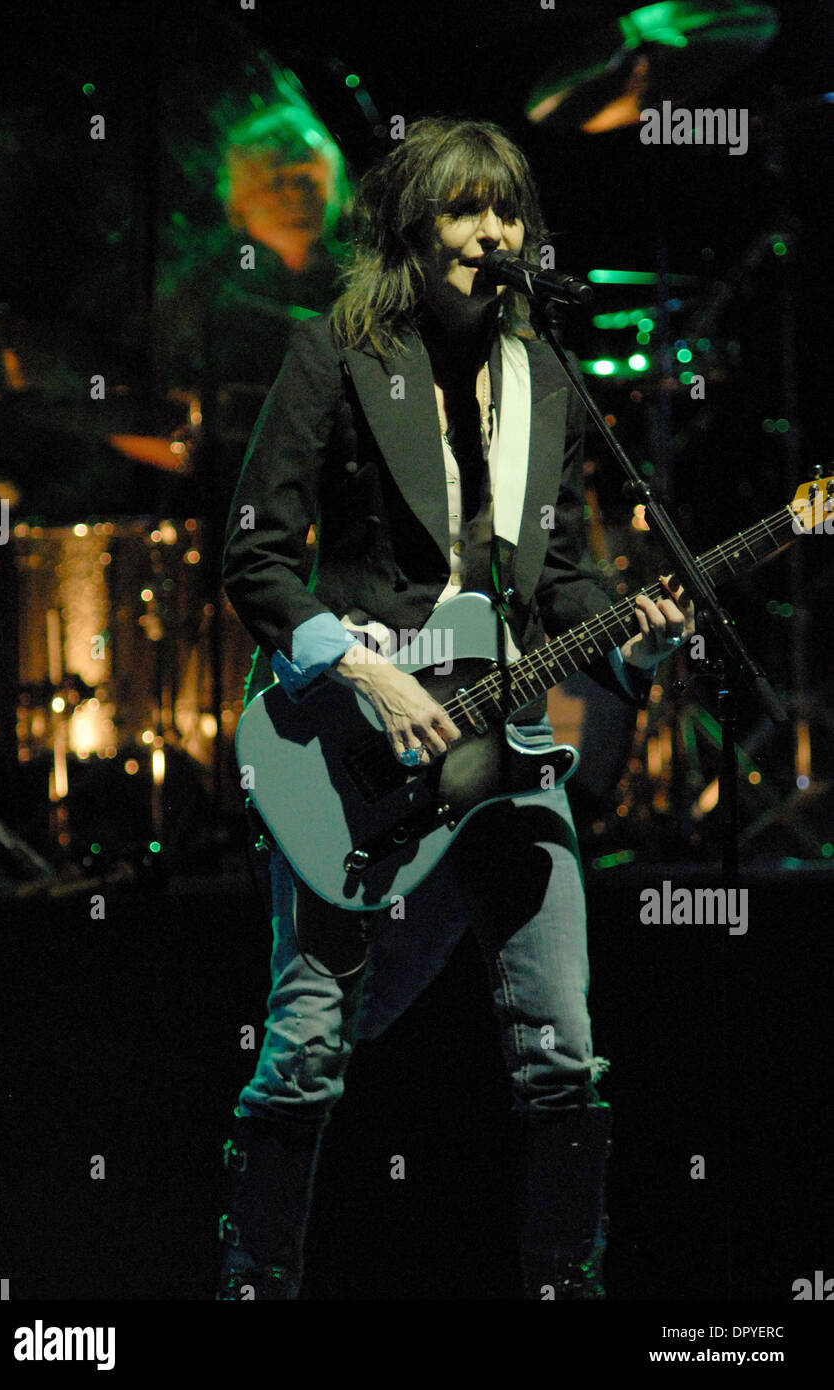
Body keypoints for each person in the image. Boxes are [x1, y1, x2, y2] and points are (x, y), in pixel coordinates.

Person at [218, 115, 693, 1300]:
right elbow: (258, 558)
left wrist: (642, 639)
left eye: (508, 210)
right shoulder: (338, 349)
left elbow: (566, 575)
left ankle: (565, 1291)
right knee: (308, 1053)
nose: (493, 231)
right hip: (351, 743)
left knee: (564, 1058)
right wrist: (360, 665)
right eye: (464, 210)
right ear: (412, 231)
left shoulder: (546, 378)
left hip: (509, 757)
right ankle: (249, 1290)